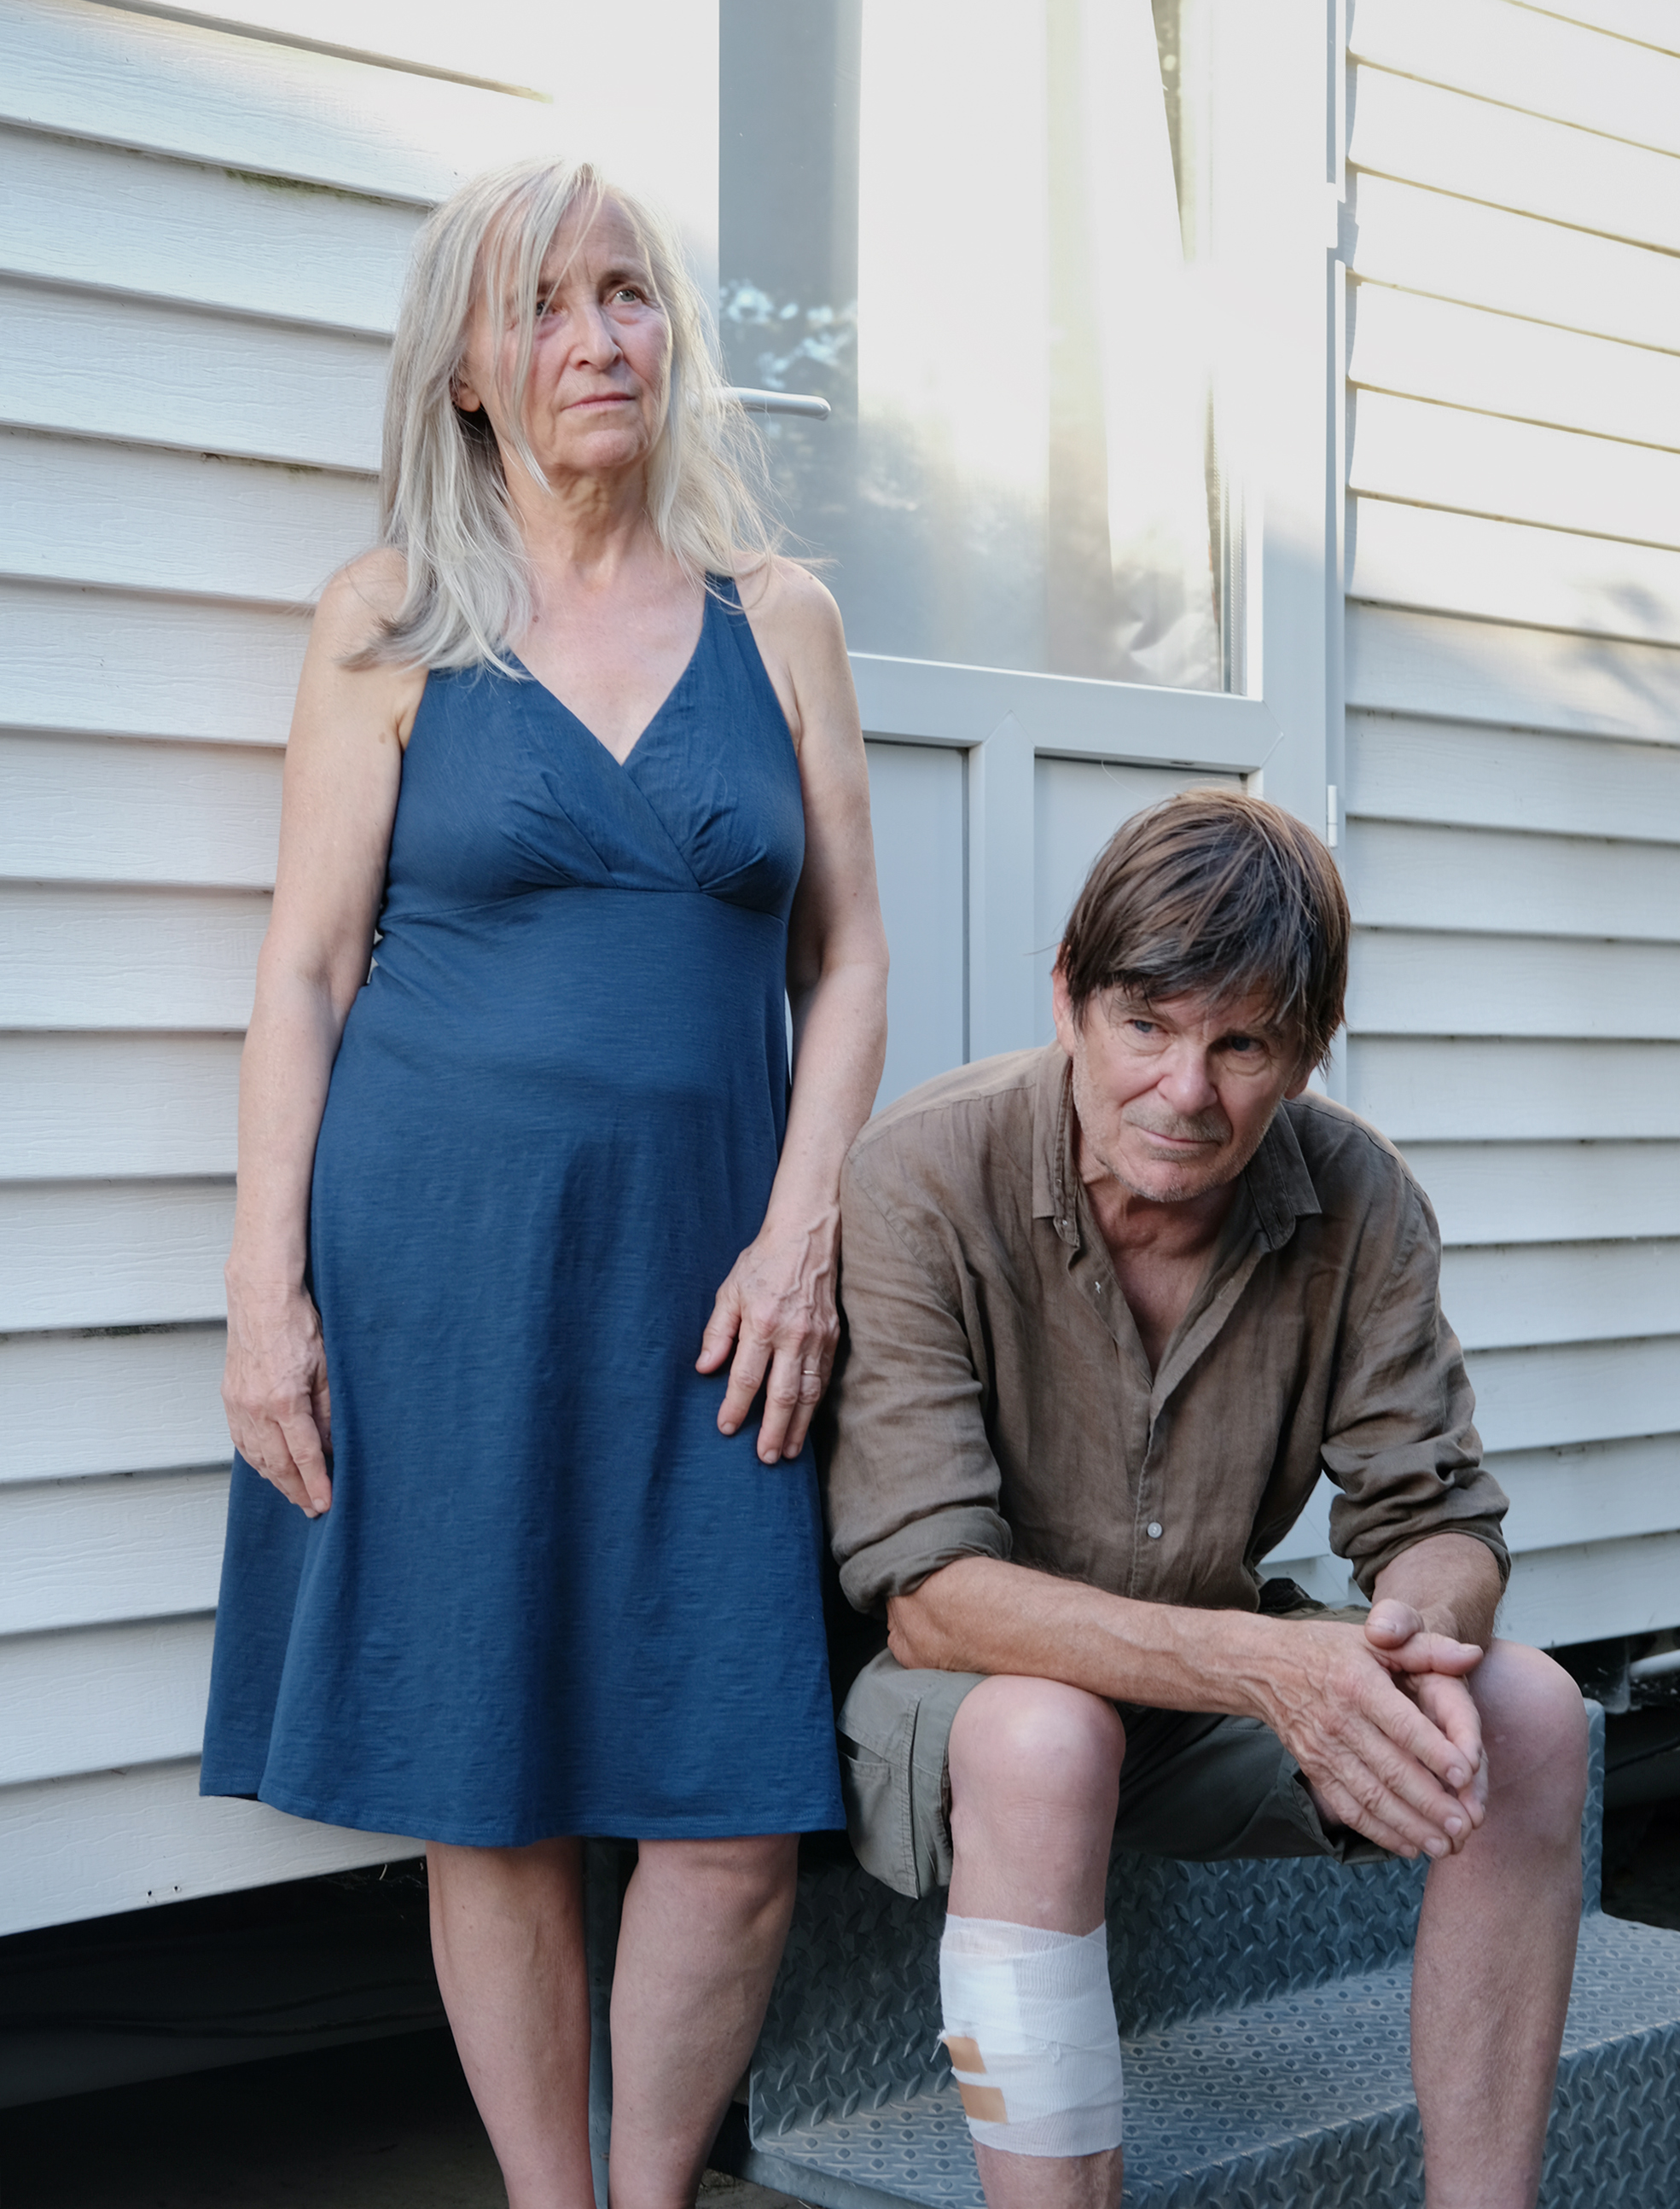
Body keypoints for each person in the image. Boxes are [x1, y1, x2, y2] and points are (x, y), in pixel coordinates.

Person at [201, 154, 889, 2209]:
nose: (598, 338)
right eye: (543, 306)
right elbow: (305, 972)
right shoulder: (389, 618)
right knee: (485, 1787)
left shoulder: (779, 621)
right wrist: (263, 1297)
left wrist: (804, 1228)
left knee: (731, 1812)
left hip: (713, 1283)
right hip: (439, 1268)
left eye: (627, 293)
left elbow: (848, 957)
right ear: (470, 371)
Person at [825, 792, 1586, 2209]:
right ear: (1069, 995)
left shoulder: (1359, 1193)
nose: (1185, 1091)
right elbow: (929, 1600)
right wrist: (1264, 1666)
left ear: (1307, 1047)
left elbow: (1433, 1512)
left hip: (1202, 1697)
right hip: (969, 1704)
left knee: (1531, 1709)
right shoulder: (921, 1172)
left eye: (1241, 1044)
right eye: (1146, 1026)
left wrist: (1412, 1635)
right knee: (1047, 1735)